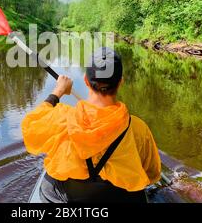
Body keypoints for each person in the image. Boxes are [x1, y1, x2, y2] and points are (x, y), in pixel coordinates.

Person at [22, 47, 161, 203]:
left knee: (49, 182)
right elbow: (152, 174)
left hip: (67, 197)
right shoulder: (138, 128)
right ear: (120, 82)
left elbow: (32, 124)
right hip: (119, 197)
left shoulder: (61, 118)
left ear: (86, 81)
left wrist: (58, 92)